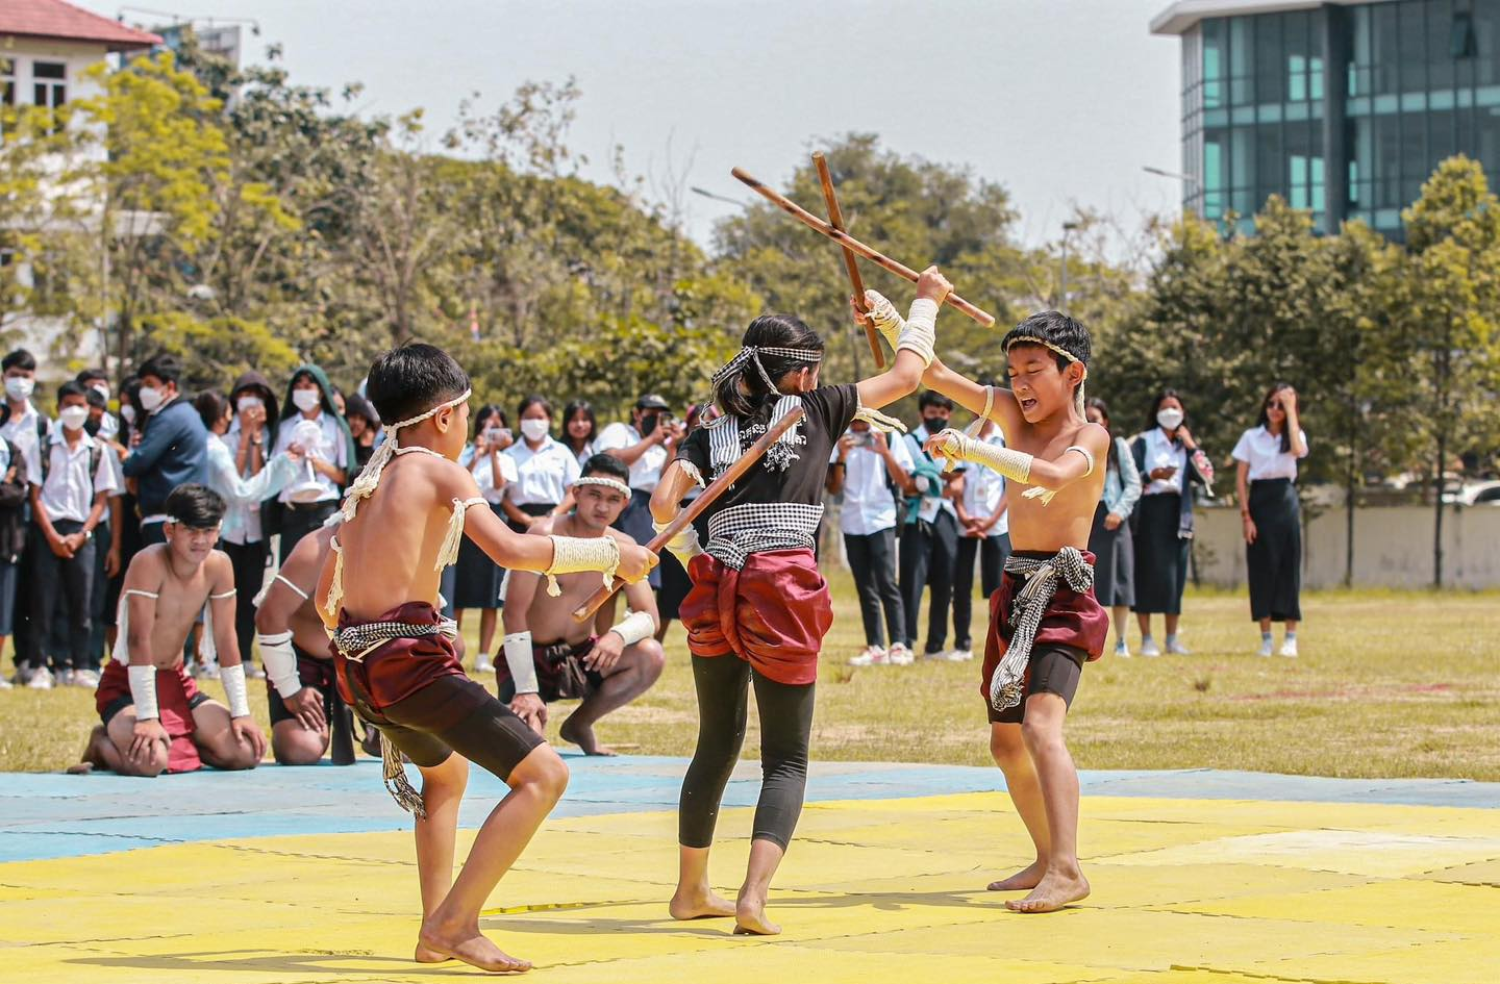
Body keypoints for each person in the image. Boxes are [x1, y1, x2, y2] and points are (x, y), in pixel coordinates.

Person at [315, 342, 654, 973]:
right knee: (546, 776)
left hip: (359, 671)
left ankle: (431, 930)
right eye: (467, 414)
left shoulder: (367, 485)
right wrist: (615, 555)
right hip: (407, 665)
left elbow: (324, 600)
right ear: (446, 416)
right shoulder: (439, 472)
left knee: (446, 777)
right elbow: (512, 551)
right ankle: (455, 924)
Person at [653, 271, 941, 935]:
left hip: (714, 582)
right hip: (779, 588)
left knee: (715, 742)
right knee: (785, 756)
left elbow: (663, 506)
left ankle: (690, 890)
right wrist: (919, 302)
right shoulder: (818, 409)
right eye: (814, 369)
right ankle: (752, 896)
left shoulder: (709, 425)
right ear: (801, 373)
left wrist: (702, 553)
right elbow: (905, 376)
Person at [891, 301, 1109, 915]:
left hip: (1063, 590)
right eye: (1012, 373)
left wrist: (974, 448)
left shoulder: (1091, 434)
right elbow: (931, 374)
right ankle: (1046, 857)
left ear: (1072, 373)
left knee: (1042, 728)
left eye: (1032, 370)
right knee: (1006, 743)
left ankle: (1068, 868)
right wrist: (904, 312)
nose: (1018, 385)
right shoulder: (1012, 412)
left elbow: (1054, 473)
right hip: (1016, 590)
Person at [73, 484, 268, 776]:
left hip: (176, 680)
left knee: (244, 752)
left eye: (208, 531)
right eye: (191, 531)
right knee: (151, 762)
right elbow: (137, 639)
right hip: (126, 682)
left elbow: (227, 638)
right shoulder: (148, 561)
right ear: (169, 530)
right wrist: (148, 717)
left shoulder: (220, 565)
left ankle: (182, 742)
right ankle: (102, 742)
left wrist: (241, 712)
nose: (200, 540)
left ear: (218, 531)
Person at [500, 453, 665, 755]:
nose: (602, 506)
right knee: (531, 754)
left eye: (613, 499)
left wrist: (617, 636)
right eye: (594, 495)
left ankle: (579, 724)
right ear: (576, 493)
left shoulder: (625, 547)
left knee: (650, 655)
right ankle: (524, 705)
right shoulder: (542, 535)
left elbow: (650, 617)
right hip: (531, 656)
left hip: (583, 655)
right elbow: (513, 613)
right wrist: (525, 689)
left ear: (624, 504)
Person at [196, 390, 303, 673]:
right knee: (215, 597)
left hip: (249, 532)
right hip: (223, 530)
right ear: (221, 419)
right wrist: (281, 466)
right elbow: (242, 492)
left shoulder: (208, 444)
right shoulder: (217, 448)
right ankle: (209, 658)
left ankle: (230, 657)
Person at [30, 382, 121, 688]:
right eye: (68, 404)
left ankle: (82, 664)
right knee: (45, 600)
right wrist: (53, 535)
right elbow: (36, 494)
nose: (75, 411)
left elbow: (101, 498)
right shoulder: (43, 445)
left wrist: (82, 533)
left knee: (83, 600)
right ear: (58, 407)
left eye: (80, 405)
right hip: (50, 528)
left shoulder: (97, 450)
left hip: (83, 532)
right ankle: (43, 664)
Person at [256, 519, 365, 764]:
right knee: (299, 749)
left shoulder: (398, 541)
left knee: (415, 747)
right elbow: (269, 616)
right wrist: (290, 688)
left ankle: (375, 730)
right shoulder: (315, 549)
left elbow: (429, 617)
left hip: (362, 657)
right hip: (303, 659)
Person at [826, 414, 916, 666]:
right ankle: (875, 645)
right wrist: (842, 456)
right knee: (865, 586)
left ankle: (899, 644)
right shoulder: (841, 440)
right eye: (854, 423)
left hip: (882, 518)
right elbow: (834, 488)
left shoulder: (889, 435)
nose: (859, 429)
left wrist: (884, 452)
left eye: (862, 423)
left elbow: (906, 483)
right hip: (853, 520)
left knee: (887, 582)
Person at [1131, 391, 1213, 657]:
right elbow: (1131, 476)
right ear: (1156, 412)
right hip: (1150, 511)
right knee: (1147, 574)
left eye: (1175, 408)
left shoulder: (1186, 446)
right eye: (1165, 408)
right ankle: (1146, 639)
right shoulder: (1144, 441)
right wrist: (1151, 475)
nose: (1170, 413)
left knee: (1175, 577)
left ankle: (1171, 639)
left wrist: (1191, 446)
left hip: (1178, 514)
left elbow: (1207, 476)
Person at [1233, 383, 1308, 657]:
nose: (1275, 410)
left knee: (1289, 568)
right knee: (1262, 569)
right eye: (1271, 404)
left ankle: (1290, 636)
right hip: (1260, 501)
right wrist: (1246, 516)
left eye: (1281, 405)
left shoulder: (1294, 435)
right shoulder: (1251, 437)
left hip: (1285, 500)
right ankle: (1265, 637)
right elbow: (1241, 478)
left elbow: (1299, 450)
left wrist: (1291, 410)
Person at [900, 390, 967, 661]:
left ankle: (935, 645)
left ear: (948, 415)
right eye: (932, 413)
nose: (937, 418)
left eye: (942, 414)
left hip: (944, 517)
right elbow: (907, 482)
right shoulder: (908, 440)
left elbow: (958, 485)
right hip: (916, 519)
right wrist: (941, 479)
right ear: (921, 413)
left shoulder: (955, 442)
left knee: (944, 583)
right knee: (911, 581)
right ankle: (904, 641)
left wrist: (929, 481)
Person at [121, 353, 209, 548]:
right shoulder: (185, 413)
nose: (144, 391)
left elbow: (138, 462)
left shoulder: (169, 417)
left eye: (150, 385)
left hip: (167, 517)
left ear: (170, 387)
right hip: (183, 514)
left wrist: (126, 457)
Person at [597, 393, 684, 590]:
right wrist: (652, 439)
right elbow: (612, 460)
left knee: (642, 576)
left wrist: (671, 448)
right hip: (612, 501)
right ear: (637, 414)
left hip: (644, 510)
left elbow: (664, 481)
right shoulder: (619, 431)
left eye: (662, 415)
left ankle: (642, 617)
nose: (656, 419)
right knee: (604, 577)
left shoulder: (660, 450)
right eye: (651, 413)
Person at [1, 348, 50, 685]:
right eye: (15, 375)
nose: (20, 382)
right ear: (4, 377)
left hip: (34, 514)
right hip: (5, 515)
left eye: (27, 376)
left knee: (34, 588)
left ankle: (29, 659)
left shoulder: (43, 422)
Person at [455, 405, 516, 674]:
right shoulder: (464, 451)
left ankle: (482, 654)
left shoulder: (507, 458)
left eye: (497, 424)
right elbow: (459, 478)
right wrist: (478, 453)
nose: (491, 429)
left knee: (491, 594)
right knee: (459, 591)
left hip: (493, 517)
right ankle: (452, 649)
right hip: (464, 519)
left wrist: (492, 454)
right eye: (487, 423)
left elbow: (500, 486)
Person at [272, 364, 354, 562]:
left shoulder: (336, 427)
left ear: (321, 392)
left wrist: (317, 463)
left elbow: (345, 475)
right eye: (298, 386)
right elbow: (273, 473)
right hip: (293, 510)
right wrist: (288, 458)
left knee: (323, 576)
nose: (302, 390)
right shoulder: (284, 427)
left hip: (324, 510)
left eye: (309, 386)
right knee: (290, 576)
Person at [952, 396, 1012, 664]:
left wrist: (990, 521)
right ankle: (962, 643)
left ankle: (997, 643)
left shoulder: (1006, 439)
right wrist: (964, 515)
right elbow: (956, 480)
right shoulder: (961, 438)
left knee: (997, 588)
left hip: (995, 524)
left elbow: (1012, 487)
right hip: (965, 523)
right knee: (961, 584)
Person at [1084, 399, 1142, 657]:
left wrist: (1119, 511)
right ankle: (1092, 641)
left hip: (1115, 517)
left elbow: (1133, 484)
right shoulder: (1076, 446)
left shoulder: (1118, 446)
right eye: (1086, 418)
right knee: (1090, 583)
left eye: (1095, 418)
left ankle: (1121, 641)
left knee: (1121, 581)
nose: (1091, 423)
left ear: (1105, 421)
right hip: (1087, 518)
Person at [503, 395, 579, 528]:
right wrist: (526, 520)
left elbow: (573, 490)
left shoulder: (562, 451)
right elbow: (502, 496)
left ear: (549, 420)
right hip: (518, 524)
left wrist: (553, 514)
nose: (534, 422)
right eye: (528, 417)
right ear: (519, 420)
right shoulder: (508, 455)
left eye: (539, 417)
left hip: (556, 521)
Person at [0, 429, 27, 689]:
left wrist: (8, 485)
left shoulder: (11, 449)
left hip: (5, 542)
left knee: (2, 612)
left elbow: (17, 493)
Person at [76, 369, 119, 441]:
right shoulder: (72, 423)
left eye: (101, 385)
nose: (97, 389)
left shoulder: (115, 425)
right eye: (91, 387)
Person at [344, 393, 380, 473]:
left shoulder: (366, 446)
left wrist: (366, 446)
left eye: (362, 419)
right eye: (353, 417)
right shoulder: (340, 440)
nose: (357, 423)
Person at [561, 399, 598, 469]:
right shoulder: (557, 450)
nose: (580, 424)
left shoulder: (599, 450)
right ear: (566, 423)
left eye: (585, 419)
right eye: (574, 420)